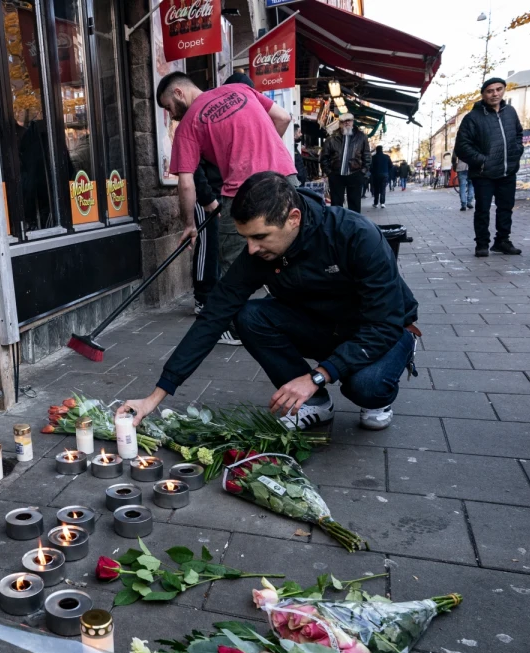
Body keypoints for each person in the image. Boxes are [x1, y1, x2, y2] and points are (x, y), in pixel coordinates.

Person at [118, 172, 421, 433]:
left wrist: (318, 375)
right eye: (246, 238)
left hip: (380, 330)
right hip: (323, 326)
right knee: (249, 316)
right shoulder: (261, 252)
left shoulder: (356, 235)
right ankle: (315, 404)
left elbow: (383, 324)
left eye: (260, 237)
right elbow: (213, 316)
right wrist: (155, 396)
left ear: (293, 219)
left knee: (364, 386)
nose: (251, 249)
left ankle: (388, 377)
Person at [156, 70, 297, 345]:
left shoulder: (188, 124)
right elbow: (282, 117)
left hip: (242, 190)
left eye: (169, 107)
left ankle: (234, 328)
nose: (171, 115)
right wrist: (265, 156)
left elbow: (186, 183)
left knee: (233, 263)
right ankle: (295, 317)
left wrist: (189, 225)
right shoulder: (241, 91)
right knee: (291, 248)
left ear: (178, 93)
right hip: (284, 179)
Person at [455, 77, 524, 257]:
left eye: (499, 89)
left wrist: (517, 151)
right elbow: (462, 146)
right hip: (484, 173)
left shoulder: (510, 112)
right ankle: (482, 244)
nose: (495, 94)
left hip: (508, 170)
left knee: (506, 208)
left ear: (503, 90)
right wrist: (483, 160)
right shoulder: (472, 117)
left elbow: (519, 134)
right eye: (490, 91)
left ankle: (502, 241)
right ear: (483, 94)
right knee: (482, 210)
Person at [191, 157, 223, 314]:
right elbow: (194, 165)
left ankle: (214, 292)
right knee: (208, 244)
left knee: (219, 246)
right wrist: (206, 196)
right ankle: (203, 297)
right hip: (206, 196)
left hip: (223, 193)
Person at [320, 114, 370, 212]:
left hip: (355, 174)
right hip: (336, 175)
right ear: (340, 123)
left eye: (349, 120)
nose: (346, 123)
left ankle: (353, 222)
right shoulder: (332, 138)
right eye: (343, 121)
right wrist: (329, 173)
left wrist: (363, 172)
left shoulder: (361, 137)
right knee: (336, 205)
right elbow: (324, 157)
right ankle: (337, 222)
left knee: (355, 204)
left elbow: (367, 156)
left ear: (353, 122)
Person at [370, 143, 392, 209]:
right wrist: (387, 171)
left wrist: (373, 172)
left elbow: (370, 167)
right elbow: (391, 166)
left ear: (376, 150)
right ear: (382, 150)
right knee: (383, 189)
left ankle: (376, 203)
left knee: (376, 189)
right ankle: (382, 203)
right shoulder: (387, 157)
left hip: (376, 175)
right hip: (384, 175)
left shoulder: (373, 157)